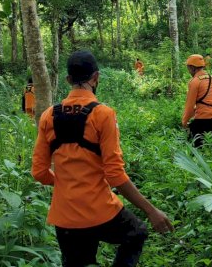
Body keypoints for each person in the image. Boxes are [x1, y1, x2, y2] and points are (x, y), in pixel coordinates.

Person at [31, 50, 173, 267]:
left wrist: (63, 183)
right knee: (136, 234)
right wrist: (151, 211)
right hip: (100, 211)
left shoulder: (48, 116)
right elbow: (114, 174)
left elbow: (39, 172)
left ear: (68, 80)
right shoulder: (103, 114)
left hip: (65, 216)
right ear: (96, 77)